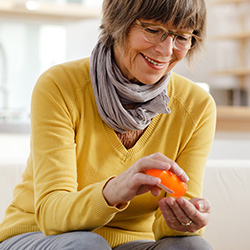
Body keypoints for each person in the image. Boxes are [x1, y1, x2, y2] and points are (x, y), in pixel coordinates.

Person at [0, 0, 216, 249]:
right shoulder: (60, 85)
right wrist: (115, 189)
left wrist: (187, 220)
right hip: (40, 234)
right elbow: (52, 215)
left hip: (132, 243)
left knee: (191, 246)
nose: (167, 50)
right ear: (118, 24)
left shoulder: (196, 106)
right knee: (87, 244)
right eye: (153, 30)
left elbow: (165, 227)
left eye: (182, 37)